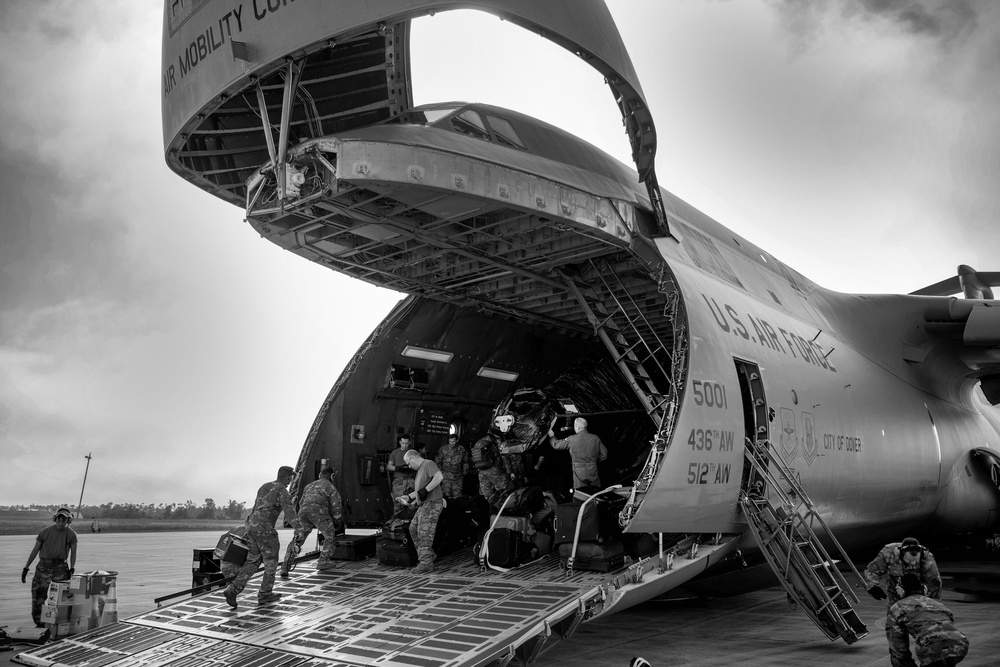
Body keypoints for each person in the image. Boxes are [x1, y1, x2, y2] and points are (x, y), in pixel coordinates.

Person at [224, 466, 300, 608]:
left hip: (252, 526)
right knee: (271, 561)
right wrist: (299, 528)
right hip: (265, 530)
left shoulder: (265, 486)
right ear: (288, 477)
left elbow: (255, 507)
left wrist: (249, 527)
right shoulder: (282, 490)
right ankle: (265, 593)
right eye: (291, 478)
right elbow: (289, 511)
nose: (291, 481)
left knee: (253, 561)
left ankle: (233, 589)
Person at [886, 573, 969, 667]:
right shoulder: (938, 604)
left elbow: (898, 650)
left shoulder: (898, 607)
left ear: (900, 590)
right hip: (960, 645)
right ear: (924, 589)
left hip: (932, 648)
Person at [280, 466, 344, 576]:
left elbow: (301, 502)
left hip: (303, 512)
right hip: (318, 512)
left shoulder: (309, 486)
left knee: (298, 539)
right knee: (329, 536)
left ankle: (286, 565)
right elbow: (336, 503)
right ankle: (323, 562)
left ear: (320, 475)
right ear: (331, 476)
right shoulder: (329, 486)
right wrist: (338, 519)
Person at [22, 507, 78, 628]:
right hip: (43, 567)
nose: (61, 523)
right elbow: (35, 550)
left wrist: (72, 568)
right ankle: (41, 623)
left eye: (64, 521)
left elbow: (73, 552)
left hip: (60, 568)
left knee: (62, 598)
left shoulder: (71, 534)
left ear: (68, 521)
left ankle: (59, 621)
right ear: (55, 519)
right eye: (59, 520)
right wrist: (26, 567)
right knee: (38, 596)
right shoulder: (45, 532)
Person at [398, 449, 445, 573]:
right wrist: (409, 497)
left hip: (432, 503)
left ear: (413, 458)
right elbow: (420, 491)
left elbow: (439, 476)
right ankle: (428, 555)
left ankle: (426, 563)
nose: (409, 466)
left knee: (424, 532)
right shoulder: (420, 470)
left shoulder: (428, 464)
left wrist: (427, 490)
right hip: (424, 504)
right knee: (413, 528)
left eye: (409, 463)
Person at [865, 537, 942, 610]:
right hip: (895, 592)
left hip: (919, 594)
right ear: (900, 554)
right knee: (895, 615)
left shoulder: (927, 558)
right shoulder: (888, 554)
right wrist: (873, 586)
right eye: (909, 560)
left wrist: (932, 606)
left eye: (916, 561)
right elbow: (872, 571)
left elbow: (935, 584)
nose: (913, 563)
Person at [547, 416, 608, 490]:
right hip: (593, 469)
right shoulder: (595, 438)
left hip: (578, 470)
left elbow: (556, 445)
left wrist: (552, 435)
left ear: (578, 427)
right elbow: (604, 455)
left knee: (580, 494)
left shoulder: (572, 439)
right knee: (595, 492)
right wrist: (593, 461)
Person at [472, 432, 510, 512]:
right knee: (502, 492)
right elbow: (503, 455)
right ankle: (500, 514)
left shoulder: (480, 441)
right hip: (494, 469)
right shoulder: (497, 440)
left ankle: (486, 515)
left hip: (481, 470)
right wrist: (508, 470)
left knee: (486, 496)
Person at [435, 433, 471, 498]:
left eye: (453, 441)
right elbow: (438, 462)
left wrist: (464, 472)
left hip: (458, 478)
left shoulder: (462, 450)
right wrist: (441, 473)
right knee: (445, 497)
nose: (451, 443)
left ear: (457, 440)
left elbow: (466, 462)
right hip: (446, 478)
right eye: (450, 441)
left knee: (457, 498)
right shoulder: (443, 449)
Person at [387, 433, 416, 514]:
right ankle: (396, 522)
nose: (405, 445)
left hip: (410, 480)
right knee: (397, 503)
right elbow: (389, 466)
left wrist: (411, 468)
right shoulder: (395, 452)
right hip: (398, 480)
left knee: (411, 503)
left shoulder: (413, 453)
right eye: (403, 443)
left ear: (409, 442)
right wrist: (398, 468)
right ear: (400, 442)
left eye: (406, 443)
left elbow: (419, 466)